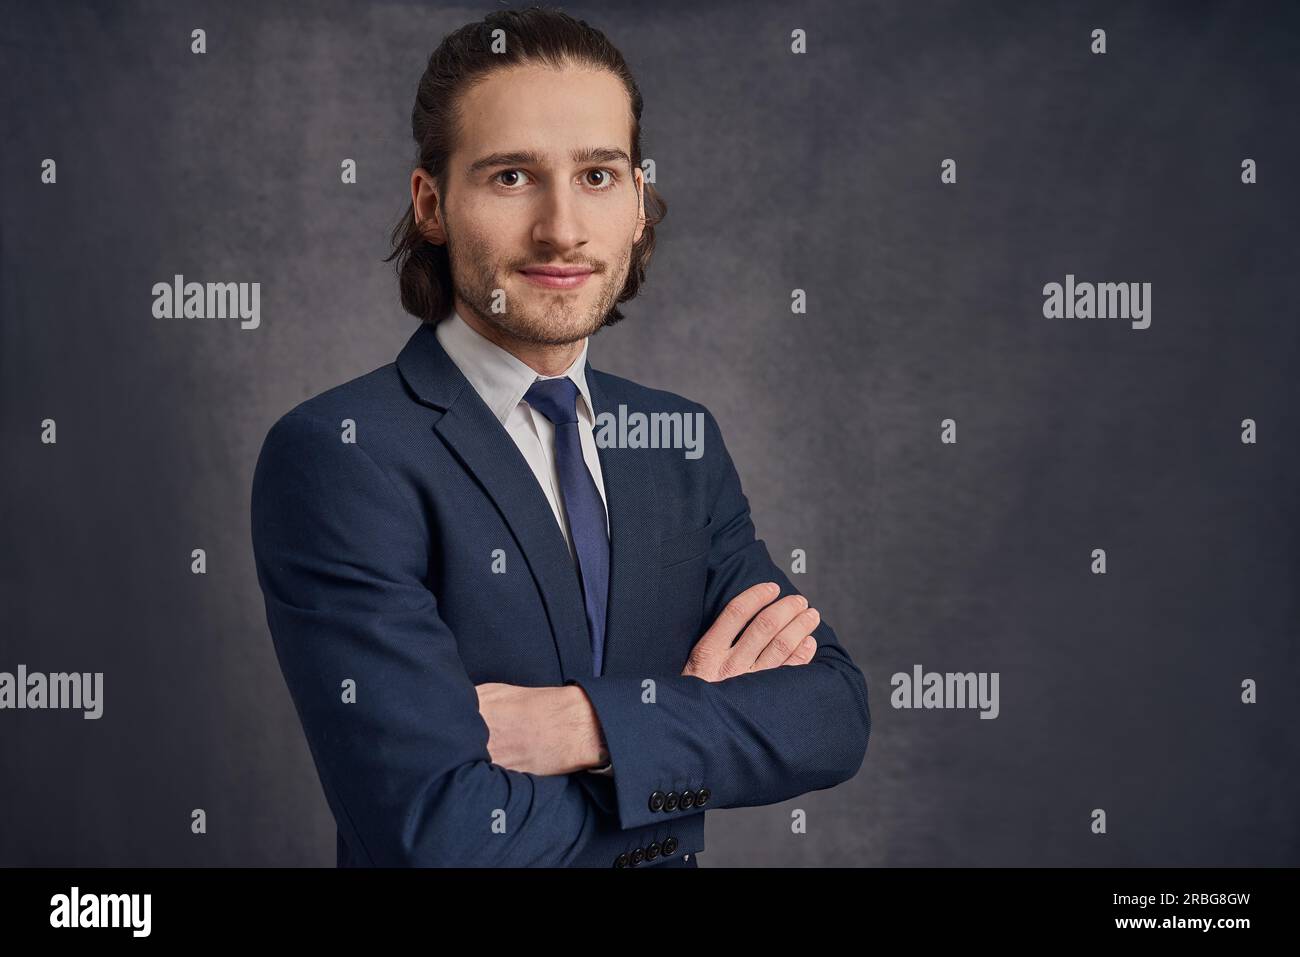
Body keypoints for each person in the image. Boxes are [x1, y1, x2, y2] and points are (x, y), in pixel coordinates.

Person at [250, 6, 870, 868]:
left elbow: (831, 716)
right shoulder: (341, 454)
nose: (563, 229)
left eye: (599, 175)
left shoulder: (678, 443)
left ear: (639, 202)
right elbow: (441, 830)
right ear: (431, 203)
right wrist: (678, 750)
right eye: (511, 177)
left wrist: (583, 724)